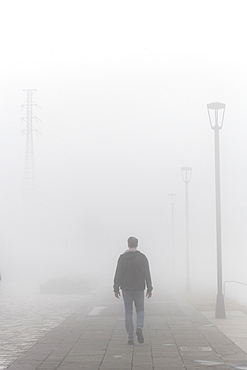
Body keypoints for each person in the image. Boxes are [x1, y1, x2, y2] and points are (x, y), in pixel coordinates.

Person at [113, 236, 153, 345]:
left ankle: (130, 337)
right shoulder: (142, 257)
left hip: (126, 288)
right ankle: (139, 327)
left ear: (128, 244)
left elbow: (119, 273)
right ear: (137, 244)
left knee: (128, 312)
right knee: (140, 310)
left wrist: (116, 288)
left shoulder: (122, 258)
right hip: (139, 288)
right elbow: (147, 273)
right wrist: (149, 287)